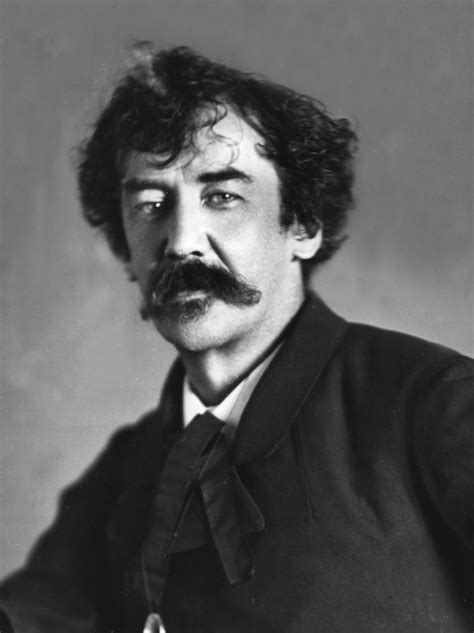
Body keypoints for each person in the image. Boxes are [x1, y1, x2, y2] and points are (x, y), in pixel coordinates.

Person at [0, 43, 473, 633]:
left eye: (222, 197)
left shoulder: (433, 402)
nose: (181, 242)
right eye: (151, 204)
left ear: (302, 225)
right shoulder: (129, 465)